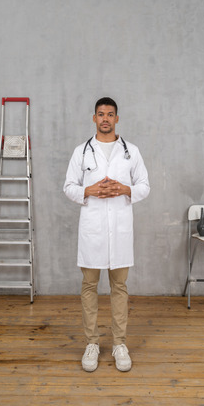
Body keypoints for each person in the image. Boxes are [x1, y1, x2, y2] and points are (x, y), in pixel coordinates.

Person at [63, 97, 150, 372]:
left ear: (117, 119)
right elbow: (68, 186)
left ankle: (119, 344)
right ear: (94, 118)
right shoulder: (82, 151)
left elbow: (145, 185)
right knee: (89, 286)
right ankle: (91, 343)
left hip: (120, 230)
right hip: (93, 230)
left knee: (119, 287)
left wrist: (125, 189)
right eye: (100, 114)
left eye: (110, 114)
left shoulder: (131, 151)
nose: (105, 119)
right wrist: (88, 191)